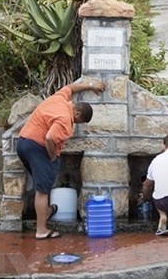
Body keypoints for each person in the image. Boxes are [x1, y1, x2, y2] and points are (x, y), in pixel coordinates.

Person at [17, 79, 105, 239]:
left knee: (43, 182)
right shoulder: (65, 119)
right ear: (77, 113)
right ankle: (41, 230)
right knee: (42, 190)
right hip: (38, 147)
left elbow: (70, 87)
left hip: (23, 143)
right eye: (79, 121)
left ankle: (48, 211)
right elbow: (50, 138)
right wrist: (51, 155)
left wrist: (91, 86)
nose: (76, 124)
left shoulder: (60, 99)